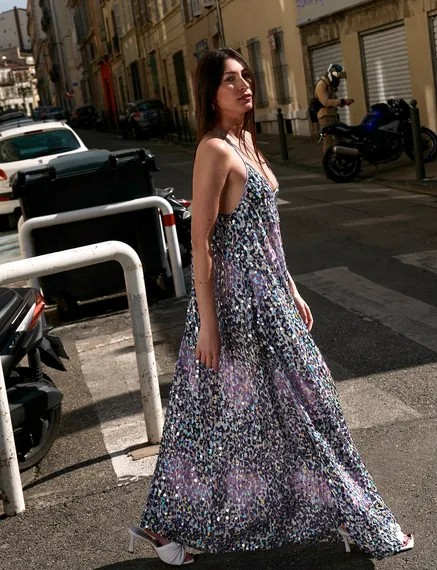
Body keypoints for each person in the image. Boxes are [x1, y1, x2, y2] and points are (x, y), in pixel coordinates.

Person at [128, 48, 413, 566]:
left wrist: (293, 287)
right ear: (210, 95)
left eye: (246, 76)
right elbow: (202, 241)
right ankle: (359, 519)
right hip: (235, 308)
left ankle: (350, 515)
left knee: (288, 409)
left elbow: (267, 235)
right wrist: (208, 323)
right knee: (226, 420)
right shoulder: (214, 149)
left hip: (270, 299)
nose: (243, 86)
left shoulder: (247, 140)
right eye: (230, 80)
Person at [315, 63, 354, 152]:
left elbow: (334, 100)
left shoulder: (329, 85)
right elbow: (325, 102)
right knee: (328, 141)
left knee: (341, 136)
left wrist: (344, 102)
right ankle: (328, 162)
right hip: (325, 117)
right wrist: (342, 101)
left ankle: (344, 156)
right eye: (337, 77)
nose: (338, 80)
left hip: (332, 115)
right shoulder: (322, 84)